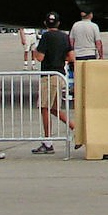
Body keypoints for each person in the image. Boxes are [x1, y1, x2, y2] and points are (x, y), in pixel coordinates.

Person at [32, 14, 75, 152]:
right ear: (58, 23)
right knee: (54, 109)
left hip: (49, 76)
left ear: (45, 23)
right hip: (60, 75)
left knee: (44, 108)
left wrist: (34, 51)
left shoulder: (45, 36)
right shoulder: (64, 37)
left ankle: (48, 141)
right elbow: (71, 56)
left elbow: (40, 57)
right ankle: (76, 128)